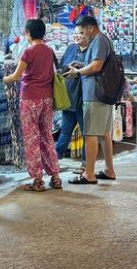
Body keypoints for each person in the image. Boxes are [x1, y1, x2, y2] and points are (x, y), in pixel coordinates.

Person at [2, 19, 61, 192]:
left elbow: (15, 76)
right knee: (47, 137)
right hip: (47, 99)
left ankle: (37, 180)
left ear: (28, 33)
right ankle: (55, 176)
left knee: (31, 139)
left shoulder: (28, 52)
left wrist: (4, 78)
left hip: (30, 99)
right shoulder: (49, 51)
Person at [65, 15, 117, 185]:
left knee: (91, 134)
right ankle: (109, 169)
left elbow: (96, 66)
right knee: (104, 134)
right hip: (101, 94)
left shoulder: (99, 41)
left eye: (82, 31)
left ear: (90, 28)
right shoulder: (101, 41)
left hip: (94, 94)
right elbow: (94, 64)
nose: (81, 35)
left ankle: (89, 173)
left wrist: (78, 72)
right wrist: (81, 65)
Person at [55, 26, 88, 173]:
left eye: (80, 33)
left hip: (83, 97)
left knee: (87, 133)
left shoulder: (92, 51)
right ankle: (54, 159)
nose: (77, 36)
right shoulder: (70, 48)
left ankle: (86, 163)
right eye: (75, 33)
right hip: (69, 97)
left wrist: (80, 68)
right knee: (65, 131)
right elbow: (61, 67)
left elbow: (94, 69)